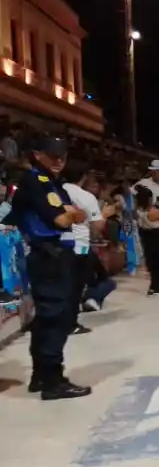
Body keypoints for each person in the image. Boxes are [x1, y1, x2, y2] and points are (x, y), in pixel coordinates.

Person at [1, 135, 91, 399]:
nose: (59, 161)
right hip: (47, 256)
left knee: (47, 318)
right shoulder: (37, 181)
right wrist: (71, 214)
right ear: (37, 154)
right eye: (53, 156)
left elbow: (76, 215)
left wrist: (72, 214)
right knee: (56, 317)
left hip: (52, 255)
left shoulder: (52, 182)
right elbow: (64, 219)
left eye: (62, 156)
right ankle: (53, 379)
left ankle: (42, 375)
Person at [63, 163, 115, 335]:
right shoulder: (86, 197)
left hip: (57, 243)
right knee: (75, 285)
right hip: (81, 246)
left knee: (58, 284)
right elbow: (97, 226)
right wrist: (105, 215)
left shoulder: (54, 191)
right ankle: (70, 323)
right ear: (83, 177)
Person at [135, 186, 159, 297]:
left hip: (145, 236)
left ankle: (153, 285)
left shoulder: (137, 211)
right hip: (157, 235)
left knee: (151, 262)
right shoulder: (154, 211)